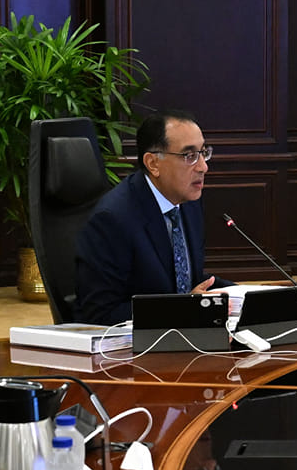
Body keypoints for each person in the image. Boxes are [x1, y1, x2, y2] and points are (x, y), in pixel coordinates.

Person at [74, 112, 222, 325]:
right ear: (153, 163)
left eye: (203, 153)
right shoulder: (113, 220)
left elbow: (186, 280)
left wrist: (247, 294)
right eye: (189, 156)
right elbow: (101, 314)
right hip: (131, 343)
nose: (203, 167)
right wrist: (185, 308)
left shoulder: (188, 202)